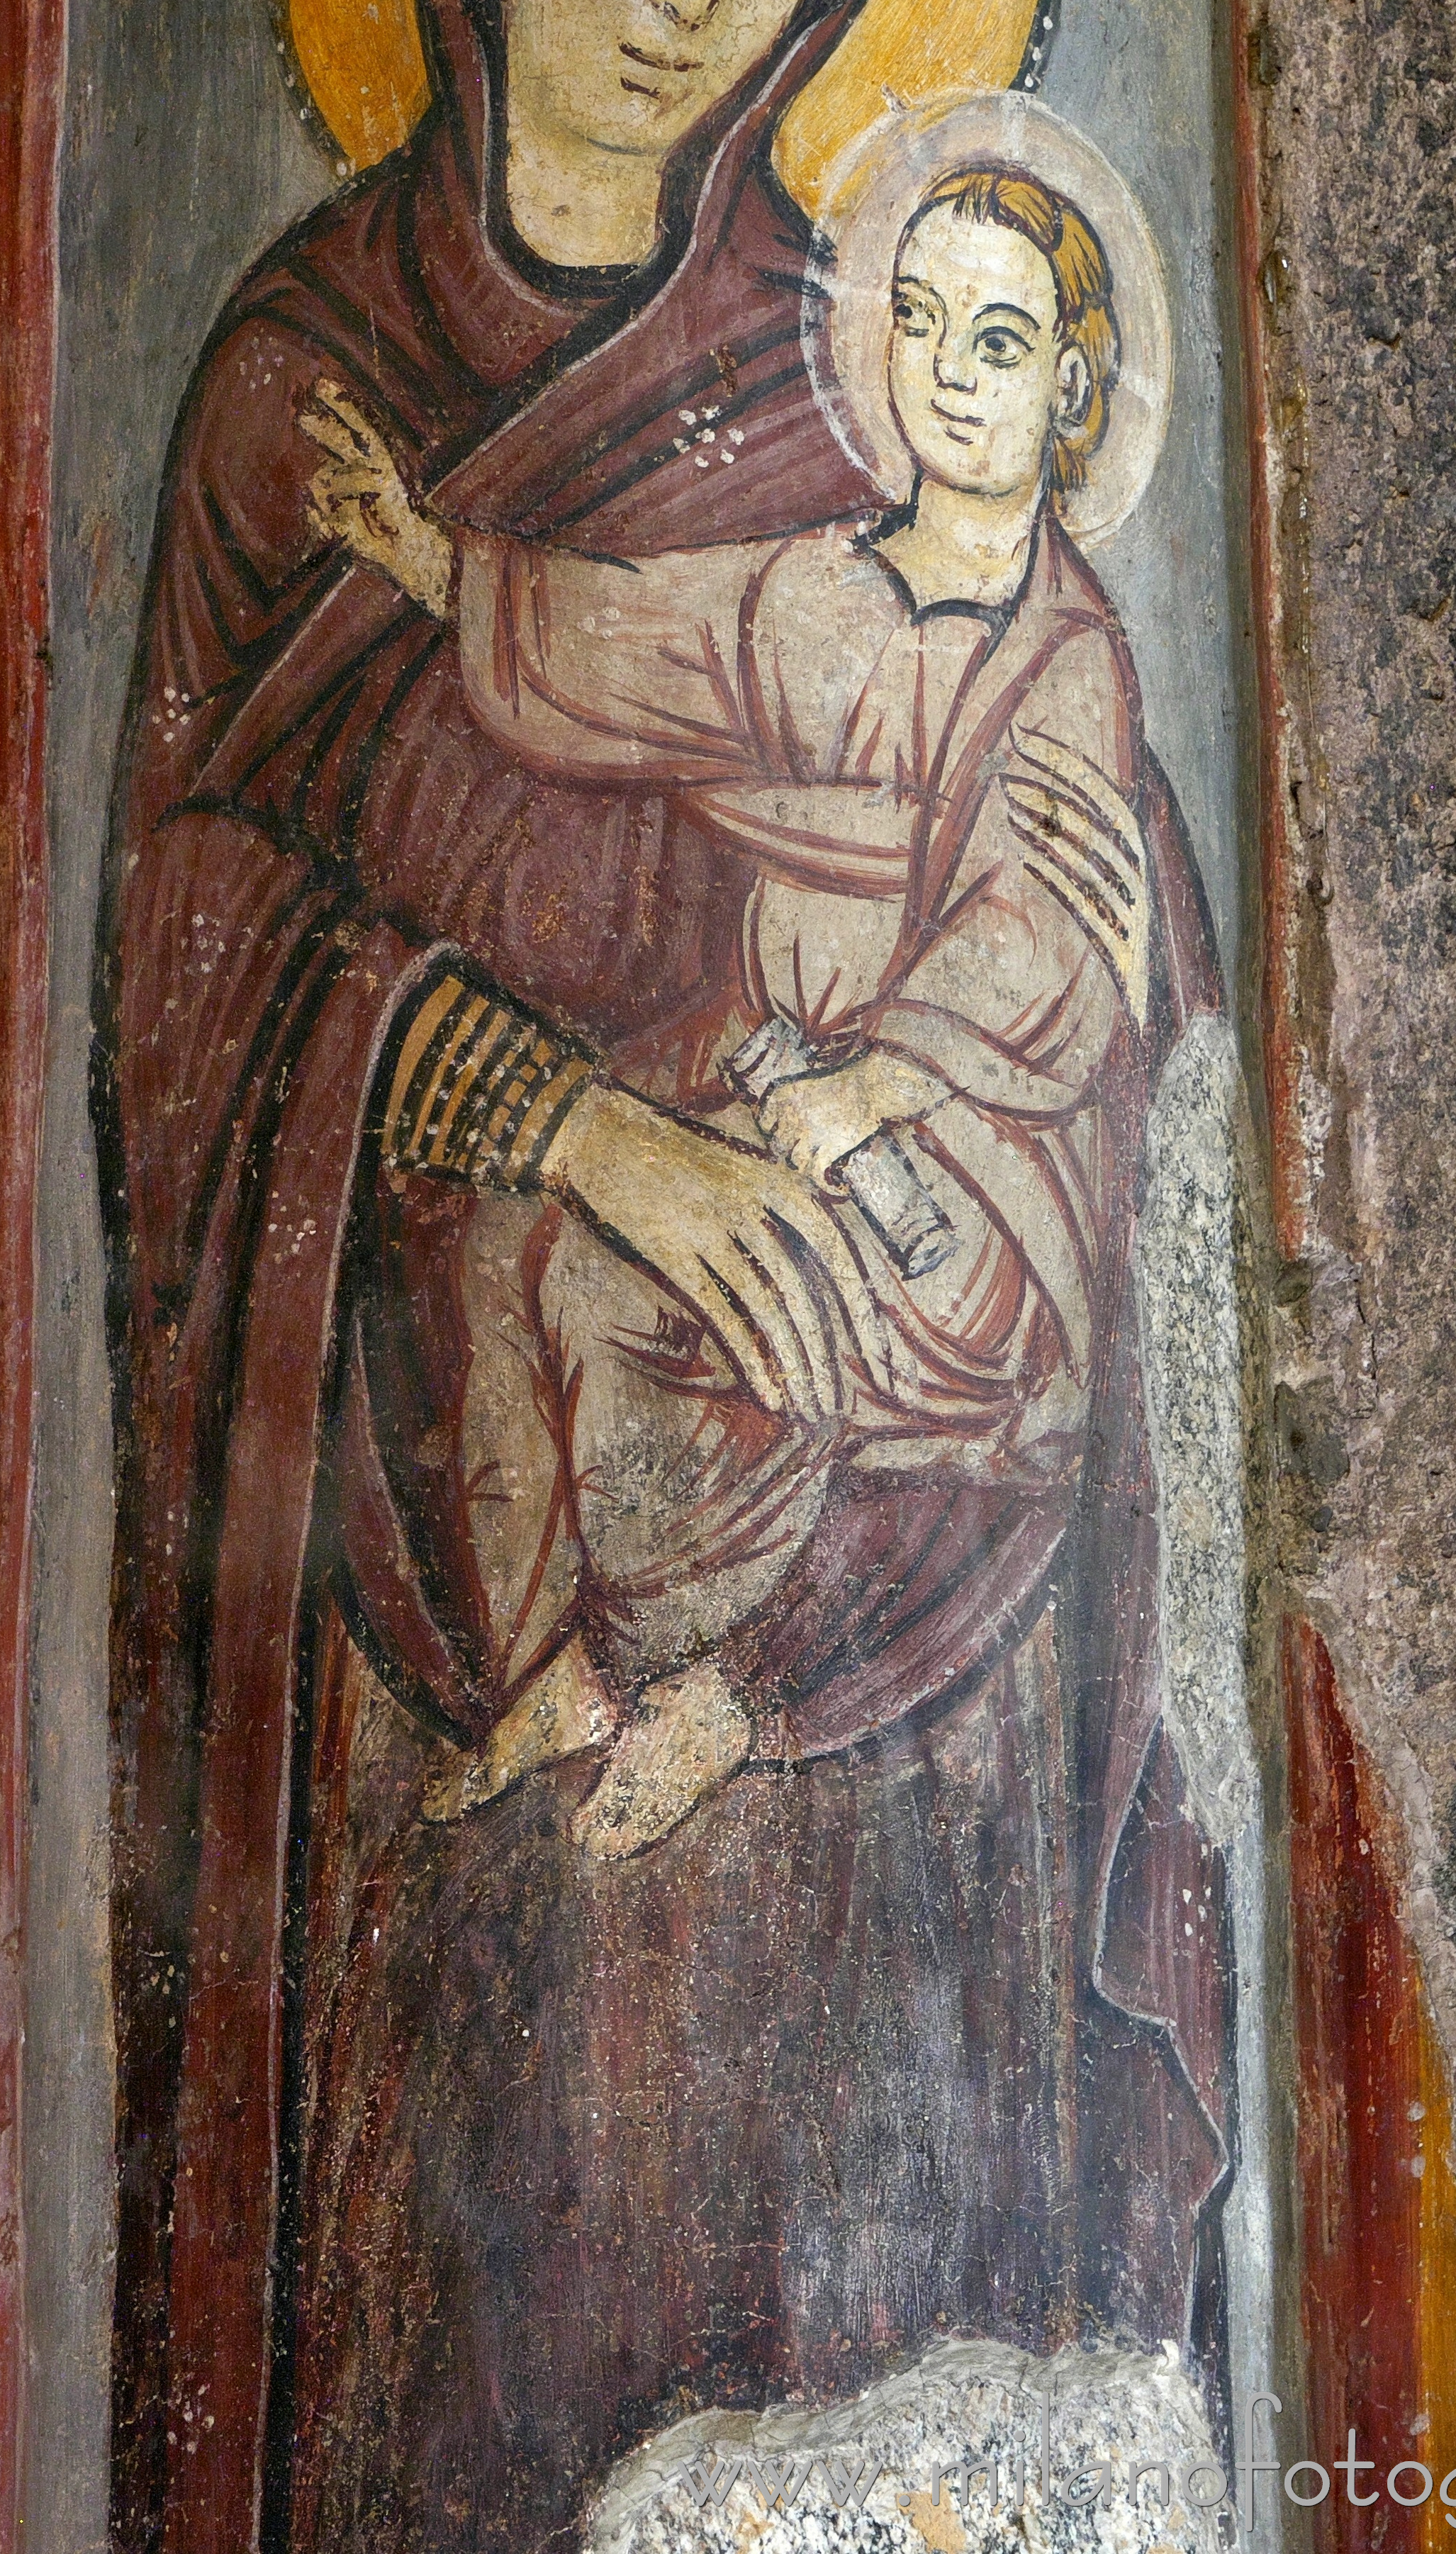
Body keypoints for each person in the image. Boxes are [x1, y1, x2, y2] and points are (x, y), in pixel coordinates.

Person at [102, 0, 1228, 2554]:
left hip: (883, 1634)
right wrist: (572, 1127)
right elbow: (188, 963)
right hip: (412, 1562)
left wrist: (1021, 1029)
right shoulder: (296, 386)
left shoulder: (863, 390)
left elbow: (1084, 916)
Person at [302, 161, 1159, 1866]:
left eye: (998, 339)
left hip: (960, 1154)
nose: (948, 372)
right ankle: (566, 1666)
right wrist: (431, 563)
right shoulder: (821, 583)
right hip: (763, 1073)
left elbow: (1041, 929)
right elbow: (638, 637)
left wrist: (883, 1081)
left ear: (1070, 382)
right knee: (519, 1251)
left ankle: (693, 1683)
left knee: (725, 1307)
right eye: (917, 325)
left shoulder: (1064, 653)